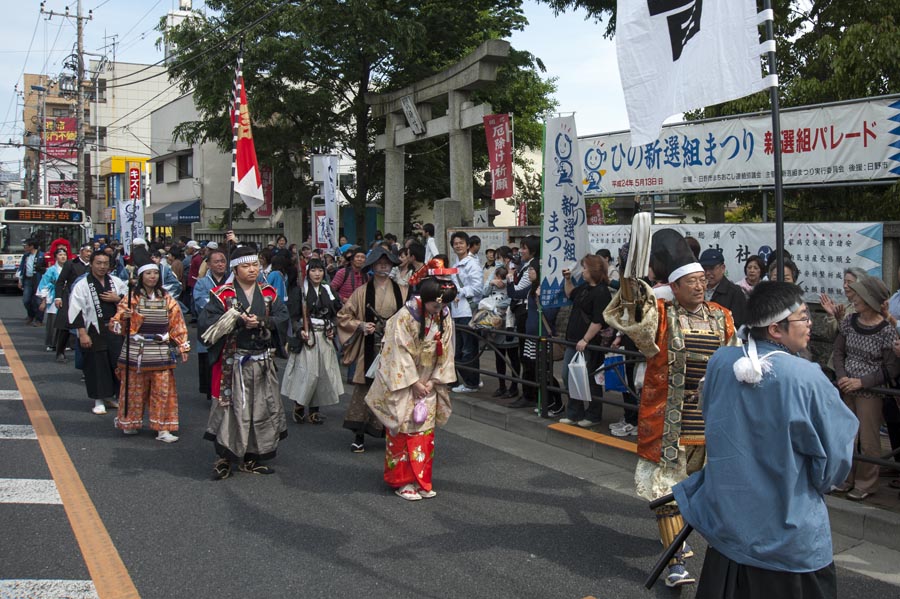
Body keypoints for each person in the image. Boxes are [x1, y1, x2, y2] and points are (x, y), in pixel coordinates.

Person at [673, 281, 858, 599]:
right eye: (803, 316)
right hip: (788, 536)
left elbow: (710, 417)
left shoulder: (721, 362)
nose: (810, 323)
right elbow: (834, 461)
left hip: (730, 527)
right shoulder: (806, 377)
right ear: (775, 329)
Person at [631, 230, 736, 588]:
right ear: (674, 287)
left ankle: (698, 541)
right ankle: (675, 560)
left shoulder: (723, 316)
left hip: (711, 416)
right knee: (665, 487)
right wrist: (633, 288)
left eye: (702, 280)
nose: (699, 286)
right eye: (690, 281)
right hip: (667, 416)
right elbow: (636, 325)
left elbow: (735, 356)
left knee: (707, 487)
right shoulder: (661, 315)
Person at [198, 246, 289, 480]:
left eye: (255, 265)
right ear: (235, 269)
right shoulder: (222, 294)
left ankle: (252, 457)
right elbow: (206, 326)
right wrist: (237, 322)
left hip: (261, 362)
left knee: (261, 408)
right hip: (234, 361)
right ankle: (224, 458)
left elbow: (282, 317)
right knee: (231, 410)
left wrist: (261, 321)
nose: (252, 270)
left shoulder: (268, 292)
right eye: (246, 266)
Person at [365, 275, 458, 501]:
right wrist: (414, 382)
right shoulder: (405, 317)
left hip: (429, 381)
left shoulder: (443, 316)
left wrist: (433, 381)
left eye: (445, 305)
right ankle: (403, 481)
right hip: (405, 381)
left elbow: (446, 350)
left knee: (425, 431)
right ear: (425, 299)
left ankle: (421, 479)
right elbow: (397, 352)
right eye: (436, 305)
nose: (440, 309)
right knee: (403, 427)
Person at [832, 275, 900, 500]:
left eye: (859, 295)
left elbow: (891, 369)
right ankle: (845, 477)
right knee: (845, 436)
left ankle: (866, 483)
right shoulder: (849, 321)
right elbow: (839, 352)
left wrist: (862, 382)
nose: (854, 298)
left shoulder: (887, 330)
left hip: (870, 392)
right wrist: (842, 377)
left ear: (870, 299)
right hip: (846, 387)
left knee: (868, 439)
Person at [108, 259, 190, 442]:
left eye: (155, 273)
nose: (152, 277)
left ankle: (163, 428)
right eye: (148, 273)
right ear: (141, 276)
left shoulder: (166, 297)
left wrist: (182, 345)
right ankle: (129, 422)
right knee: (134, 389)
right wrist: (124, 318)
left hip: (160, 348)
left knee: (163, 390)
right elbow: (115, 325)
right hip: (136, 348)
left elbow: (177, 322)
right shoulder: (131, 297)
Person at [337, 246, 408, 453]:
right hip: (370, 347)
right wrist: (360, 325)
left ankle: (391, 435)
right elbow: (343, 316)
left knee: (393, 391)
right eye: (379, 262)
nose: (383, 266)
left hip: (393, 347)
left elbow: (411, 320)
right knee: (364, 391)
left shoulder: (402, 291)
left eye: (387, 262)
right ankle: (359, 436)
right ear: (372, 266)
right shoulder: (361, 293)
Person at [281, 258, 344, 424]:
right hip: (307, 338)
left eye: (320, 270)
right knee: (308, 374)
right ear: (307, 272)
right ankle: (300, 405)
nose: (317, 274)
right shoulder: (299, 291)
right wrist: (300, 330)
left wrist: (332, 328)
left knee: (323, 374)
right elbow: (293, 316)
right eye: (313, 270)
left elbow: (336, 313)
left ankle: (315, 409)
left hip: (324, 336)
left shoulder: (328, 290)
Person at [68, 251, 128, 415]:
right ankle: (99, 399)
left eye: (105, 263)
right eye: (99, 263)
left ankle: (112, 396)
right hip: (94, 328)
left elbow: (130, 300)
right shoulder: (82, 284)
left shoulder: (116, 282)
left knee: (117, 363)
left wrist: (118, 299)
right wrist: (82, 333)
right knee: (96, 364)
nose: (102, 266)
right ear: (92, 264)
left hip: (116, 328)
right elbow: (76, 309)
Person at [560, 254, 613, 427]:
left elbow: (598, 320)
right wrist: (567, 280)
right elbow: (570, 294)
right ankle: (574, 412)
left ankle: (593, 414)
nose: (582, 271)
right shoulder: (584, 287)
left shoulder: (602, 292)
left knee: (590, 379)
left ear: (593, 270)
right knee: (569, 376)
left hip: (589, 343)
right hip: (574, 340)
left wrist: (586, 339)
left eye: (585, 268)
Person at [448, 231, 483, 393]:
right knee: (461, 349)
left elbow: (478, 288)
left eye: (461, 243)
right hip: (458, 312)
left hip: (468, 311)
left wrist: (459, 292)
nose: (458, 246)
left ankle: (472, 384)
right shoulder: (456, 264)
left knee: (467, 349)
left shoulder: (472, 264)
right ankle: (473, 380)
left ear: (468, 245)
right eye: (455, 243)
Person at [54, 243, 93, 363]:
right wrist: (58, 297)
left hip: (88, 297)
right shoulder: (71, 263)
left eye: (91, 251)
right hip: (70, 297)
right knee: (66, 324)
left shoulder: (93, 265)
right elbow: (60, 281)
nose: (88, 254)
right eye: (86, 251)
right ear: (81, 252)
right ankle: (60, 351)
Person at [699, 248, 747, 328]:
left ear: (723, 268)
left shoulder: (734, 292)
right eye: (704, 269)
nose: (707, 273)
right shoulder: (697, 289)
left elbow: (738, 324)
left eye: (711, 268)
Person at [37, 248, 68, 351]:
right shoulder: (51, 270)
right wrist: (44, 300)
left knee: (66, 320)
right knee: (53, 322)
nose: (63, 257)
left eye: (64, 255)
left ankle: (65, 343)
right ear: (55, 257)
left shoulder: (69, 268)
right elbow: (44, 285)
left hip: (67, 296)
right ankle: (51, 343)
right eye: (60, 255)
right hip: (54, 296)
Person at [17, 238, 43, 326]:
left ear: (31, 246)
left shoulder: (41, 255)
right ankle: (31, 315)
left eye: (26, 245)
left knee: (38, 301)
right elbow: (21, 268)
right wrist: (20, 280)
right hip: (28, 279)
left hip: (39, 280)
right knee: (26, 300)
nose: (25, 247)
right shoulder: (26, 256)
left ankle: (39, 319)